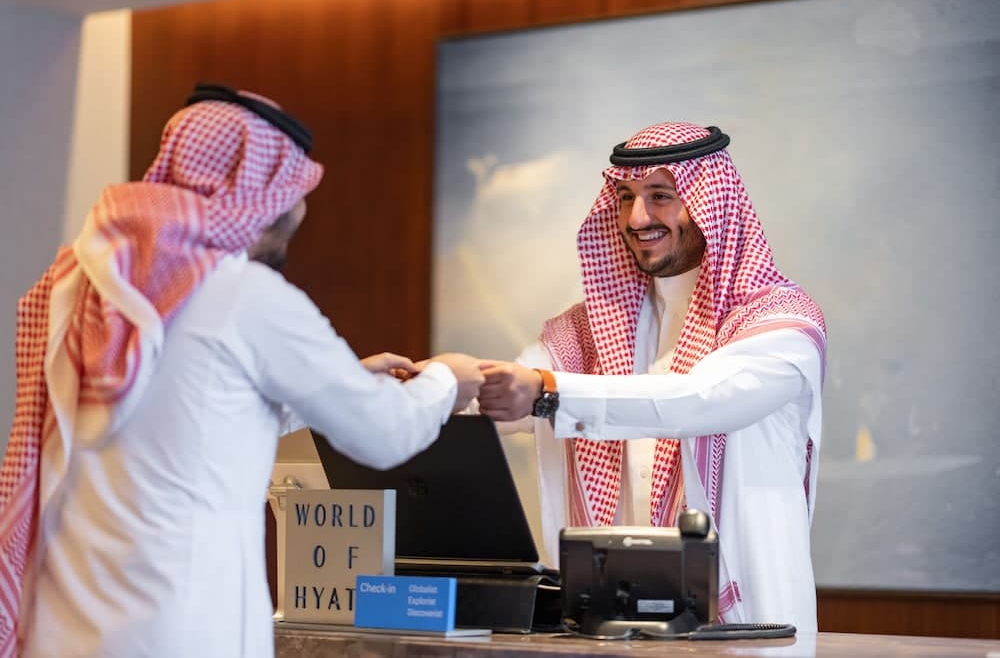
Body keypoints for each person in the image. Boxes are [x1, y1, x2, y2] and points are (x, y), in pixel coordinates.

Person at [0, 84, 484, 658]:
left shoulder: (82, 285)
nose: (301, 211)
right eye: (298, 191)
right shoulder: (242, 295)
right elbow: (385, 432)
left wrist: (328, 388)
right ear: (269, 195)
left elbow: (184, 424)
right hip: (180, 634)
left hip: (62, 630)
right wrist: (446, 380)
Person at [477, 122, 826, 631]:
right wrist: (429, 389)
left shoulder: (779, 322)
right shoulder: (590, 329)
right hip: (617, 629)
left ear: (711, 204)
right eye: (625, 197)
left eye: (660, 196)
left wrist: (548, 392)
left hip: (748, 628)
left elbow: (700, 400)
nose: (637, 218)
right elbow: (503, 401)